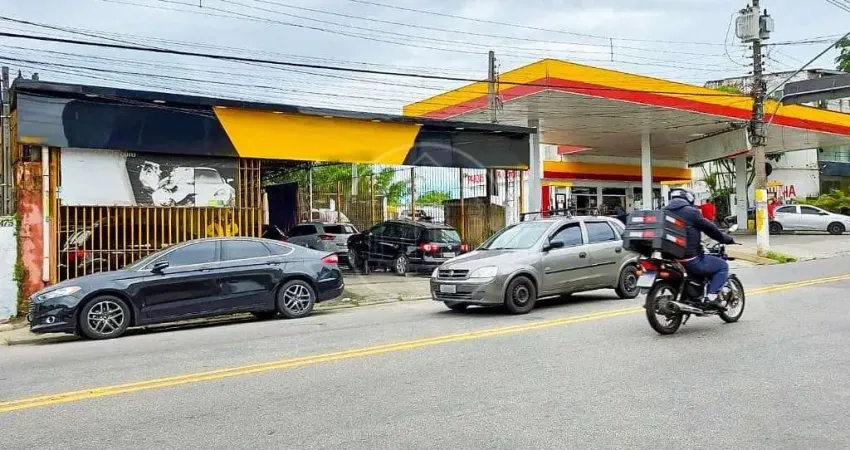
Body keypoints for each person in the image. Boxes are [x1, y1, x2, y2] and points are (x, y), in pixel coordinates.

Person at [665, 188, 735, 309]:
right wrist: (725, 238)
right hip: (690, 258)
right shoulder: (691, 212)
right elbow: (709, 228)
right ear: (689, 198)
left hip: (670, 258)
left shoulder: (663, 211)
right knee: (722, 266)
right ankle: (711, 297)